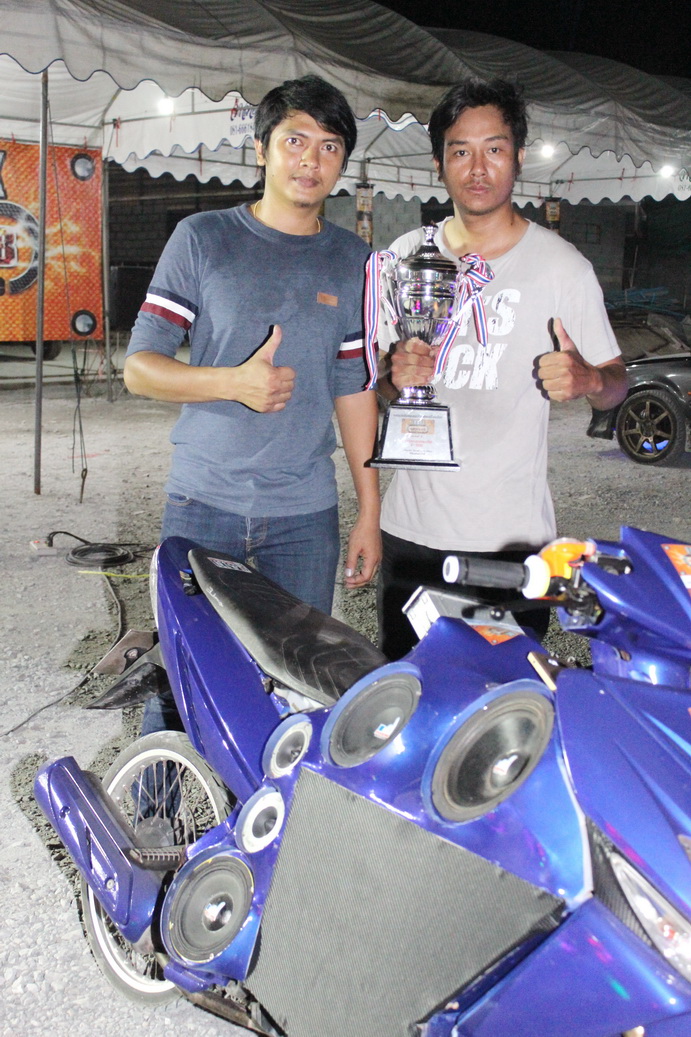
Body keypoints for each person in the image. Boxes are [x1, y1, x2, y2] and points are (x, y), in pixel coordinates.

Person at [124, 74, 381, 731]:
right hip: (203, 501)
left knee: (293, 686)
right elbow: (140, 369)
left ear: (342, 165)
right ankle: (162, 792)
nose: (311, 159)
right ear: (262, 148)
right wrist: (230, 382)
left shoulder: (354, 261)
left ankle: (266, 795)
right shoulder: (204, 238)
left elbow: (354, 387)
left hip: (304, 515)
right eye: (295, 140)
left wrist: (369, 512)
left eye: (329, 147)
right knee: (184, 679)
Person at [376, 78, 627, 660]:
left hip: (513, 544)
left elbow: (617, 386)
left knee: (509, 698)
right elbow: (383, 387)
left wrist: (590, 379)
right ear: (439, 164)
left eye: (494, 148)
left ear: (518, 157)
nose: (478, 168)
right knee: (406, 692)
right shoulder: (406, 258)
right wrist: (395, 377)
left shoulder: (562, 268)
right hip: (411, 533)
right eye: (460, 151)